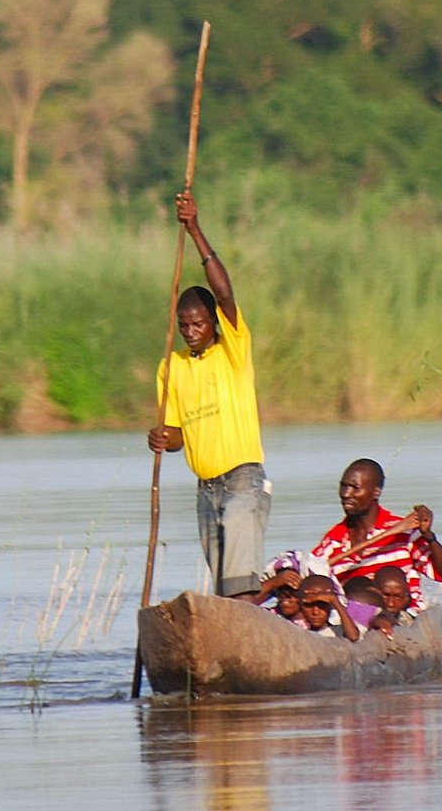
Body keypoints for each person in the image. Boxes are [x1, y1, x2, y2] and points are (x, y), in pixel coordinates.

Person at [147, 192, 270, 599]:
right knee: (221, 589)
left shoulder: (232, 349)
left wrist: (194, 227)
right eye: (184, 325)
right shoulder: (172, 366)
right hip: (206, 488)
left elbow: (225, 295)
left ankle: (247, 652)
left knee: (240, 585)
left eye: (198, 323)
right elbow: (179, 435)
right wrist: (164, 438)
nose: (191, 331)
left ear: (212, 323)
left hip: (242, 481)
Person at [311, 458, 442, 612]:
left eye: (355, 488)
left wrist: (428, 536)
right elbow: (308, 580)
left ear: (376, 492)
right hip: (358, 623)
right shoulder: (333, 542)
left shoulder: (404, 534)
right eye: (343, 486)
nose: (346, 494)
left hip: (405, 622)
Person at [297, 574, 360, 641]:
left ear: (330, 606)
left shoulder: (336, 632)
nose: (315, 612)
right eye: (308, 606)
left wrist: (335, 601)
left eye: (322, 606)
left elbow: (353, 637)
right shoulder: (295, 631)